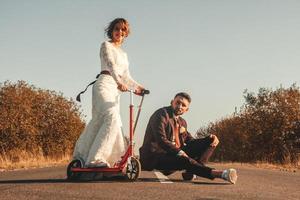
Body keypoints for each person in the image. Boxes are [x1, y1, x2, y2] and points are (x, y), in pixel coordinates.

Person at [73, 18, 144, 168]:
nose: (119, 32)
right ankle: (94, 159)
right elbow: (111, 65)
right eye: (116, 29)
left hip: (115, 90)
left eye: (122, 30)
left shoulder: (124, 55)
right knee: (111, 116)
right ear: (111, 31)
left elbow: (127, 76)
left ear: (126, 34)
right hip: (104, 84)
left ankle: (108, 160)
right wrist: (119, 82)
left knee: (112, 122)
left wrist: (139, 88)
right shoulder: (106, 45)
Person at [139, 92, 238, 184]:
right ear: (172, 102)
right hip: (156, 157)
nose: (180, 106)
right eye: (177, 102)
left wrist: (209, 138)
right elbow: (161, 140)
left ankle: (191, 171)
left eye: (183, 105)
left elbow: (190, 141)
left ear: (187, 110)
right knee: (184, 159)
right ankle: (221, 174)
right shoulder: (161, 115)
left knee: (210, 141)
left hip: (174, 155)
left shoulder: (182, 122)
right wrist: (180, 152)